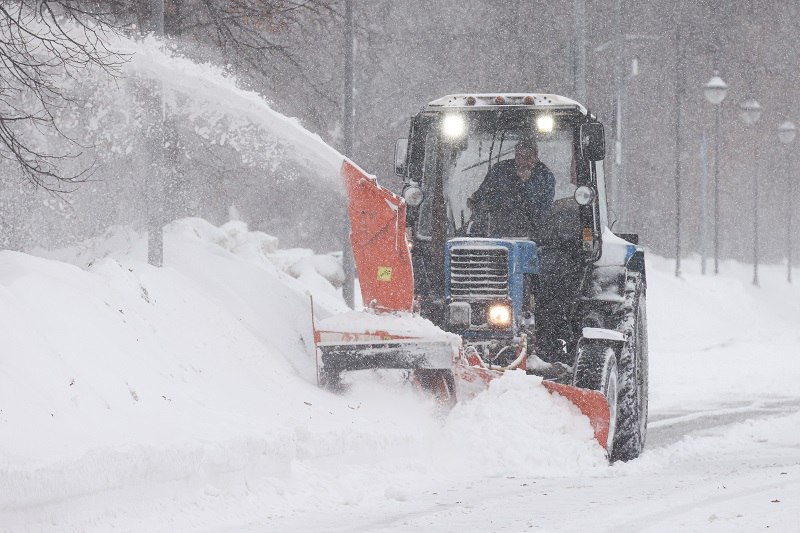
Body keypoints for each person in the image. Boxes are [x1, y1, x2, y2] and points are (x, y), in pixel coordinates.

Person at [468, 136, 555, 237]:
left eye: (527, 157)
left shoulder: (545, 175)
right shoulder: (500, 170)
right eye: (519, 156)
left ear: (535, 155)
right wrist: (475, 200)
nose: (523, 161)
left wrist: (525, 183)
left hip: (530, 234)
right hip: (496, 231)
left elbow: (540, 209)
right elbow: (483, 192)